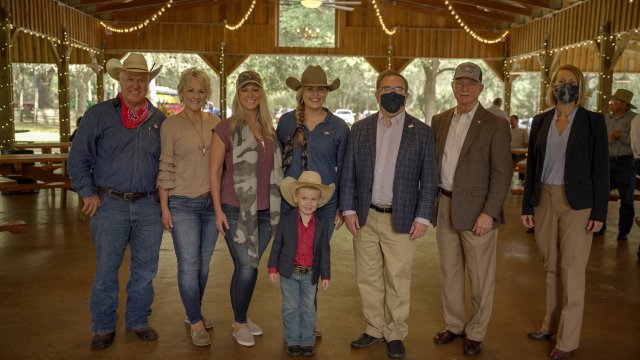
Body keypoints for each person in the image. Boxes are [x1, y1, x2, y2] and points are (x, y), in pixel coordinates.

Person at [67, 53, 165, 350]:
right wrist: (87, 191)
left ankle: (138, 320)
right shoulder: (99, 115)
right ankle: (103, 325)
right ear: (120, 81)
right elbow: (78, 158)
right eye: (130, 78)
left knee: (145, 269)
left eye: (141, 79)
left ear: (148, 82)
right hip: (110, 204)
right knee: (107, 268)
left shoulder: (159, 120)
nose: (136, 84)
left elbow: (167, 163)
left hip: (148, 205)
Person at [340, 69, 437, 359]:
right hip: (366, 216)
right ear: (377, 93)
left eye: (398, 90)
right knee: (367, 278)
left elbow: (429, 178)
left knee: (397, 278)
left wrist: (422, 217)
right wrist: (347, 209)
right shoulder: (360, 129)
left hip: (402, 218)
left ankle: (395, 332)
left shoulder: (421, 132)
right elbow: (349, 173)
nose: (392, 94)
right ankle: (373, 328)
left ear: (407, 94)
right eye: (386, 89)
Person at [521, 64, 609, 360]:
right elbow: (532, 165)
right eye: (560, 81)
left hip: (577, 204)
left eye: (571, 82)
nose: (565, 86)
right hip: (544, 198)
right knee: (551, 265)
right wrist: (526, 205)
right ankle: (549, 325)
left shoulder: (593, 121)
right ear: (552, 86)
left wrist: (600, 212)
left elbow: (601, 169)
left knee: (572, 270)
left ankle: (567, 340)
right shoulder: (540, 120)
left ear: (580, 86)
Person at [430, 62, 512, 357]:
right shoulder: (439, 120)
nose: (464, 88)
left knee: (480, 277)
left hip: (478, 211)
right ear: (452, 86)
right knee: (449, 272)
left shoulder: (495, 124)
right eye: (459, 82)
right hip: (445, 204)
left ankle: (476, 332)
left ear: (480, 89)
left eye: (470, 83)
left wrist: (489, 213)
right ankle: (454, 324)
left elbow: (502, 174)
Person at [209, 70, 282, 347]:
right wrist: (217, 210)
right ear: (237, 95)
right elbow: (214, 172)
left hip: (265, 212)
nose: (250, 95)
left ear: (261, 93)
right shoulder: (225, 128)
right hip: (234, 210)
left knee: (249, 267)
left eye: (255, 90)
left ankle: (241, 316)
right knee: (246, 267)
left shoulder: (268, 128)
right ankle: (239, 323)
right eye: (244, 90)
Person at [156, 68, 221, 347]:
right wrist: (164, 207)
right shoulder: (170, 125)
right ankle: (195, 320)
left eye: (201, 90)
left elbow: (223, 167)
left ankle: (193, 310)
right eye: (191, 90)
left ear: (207, 94)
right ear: (182, 92)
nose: (196, 96)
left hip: (211, 204)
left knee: (204, 266)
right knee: (188, 264)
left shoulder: (217, 123)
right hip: (182, 203)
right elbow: (165, 167)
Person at [277, 65, 349, 240]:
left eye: (321, 89)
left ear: (326, 93)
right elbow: (277, 162)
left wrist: (342, 206)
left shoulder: (338, 127)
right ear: (301, 92)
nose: (315, 94)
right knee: (291, 253)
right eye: (310, 89)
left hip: (325, 202)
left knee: (318, 254)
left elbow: (345, 170)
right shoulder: (287, 122)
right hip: (291, 200)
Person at [267, 171, 333, 357]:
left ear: (319, 201)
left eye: (313, 199)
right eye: (304, 198)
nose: (308, 203)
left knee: (308, 308)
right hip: (288, 273)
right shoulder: (286, 222)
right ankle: (293, 340)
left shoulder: (321, 225)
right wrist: (273, 268)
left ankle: (306, 341)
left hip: (310, 274)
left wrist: (326, 275)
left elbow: (325, 252)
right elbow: (277, 245)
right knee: (290, 307)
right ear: (296, 197)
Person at [596, 89, 637, 240]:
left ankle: (623, 232)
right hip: (606, 161)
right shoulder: (605, 119)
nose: (611, 104)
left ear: (625, 105)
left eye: (615, 101)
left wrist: (622, 136)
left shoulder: (635, 119)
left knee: (627, 198)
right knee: (601, 196)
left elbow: (636, 142)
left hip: (626, 163)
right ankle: (599, 228)